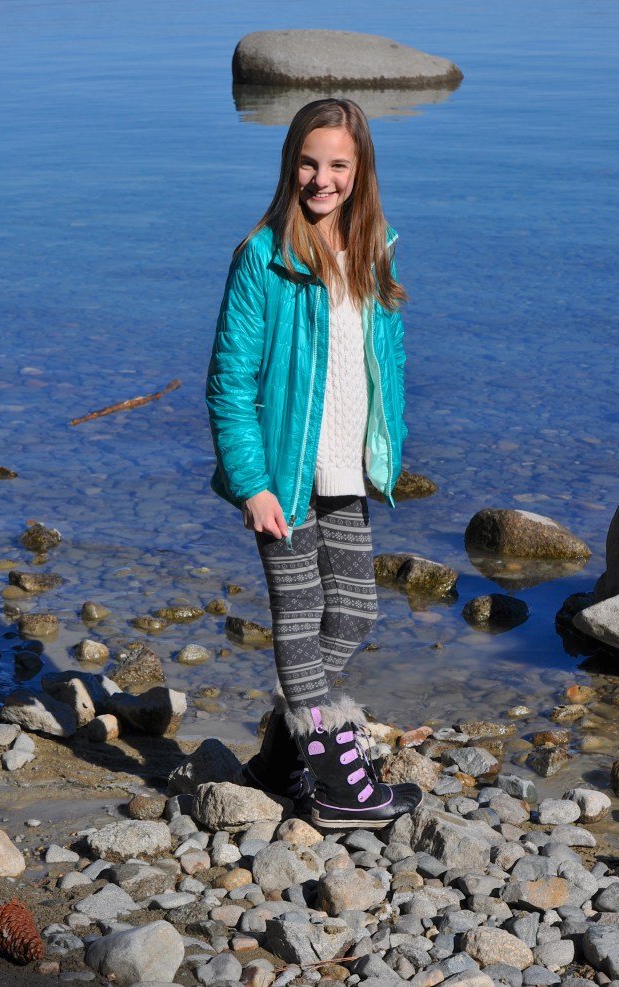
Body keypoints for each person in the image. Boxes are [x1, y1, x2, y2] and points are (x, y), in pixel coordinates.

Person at [206, 98, 422, 829]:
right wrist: (252, 482)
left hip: (345, 475)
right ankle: (332, 781)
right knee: (298, 616)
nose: (321, 178)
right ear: (289, 164)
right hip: (284, 480)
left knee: (355, 609)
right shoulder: (262, 258)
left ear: (360, 172)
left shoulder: (374, 249)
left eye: (338, 165)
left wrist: (385, 445)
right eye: (309, 162)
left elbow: (385, 357)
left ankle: (278, 754)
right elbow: (229, 382)